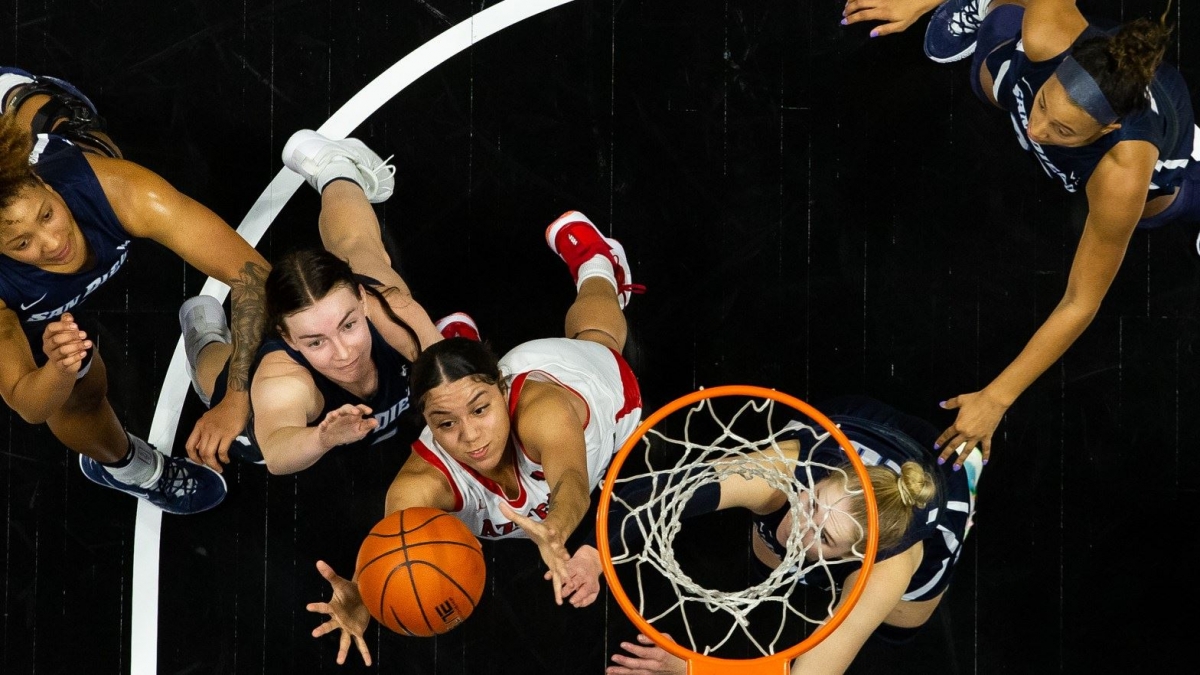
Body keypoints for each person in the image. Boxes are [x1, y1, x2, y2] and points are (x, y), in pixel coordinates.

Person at [840, 1, 1200, 467]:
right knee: (995, 69)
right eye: (1045, 102)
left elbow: (1080, 301)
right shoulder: (1049, 34)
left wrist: (996, 398)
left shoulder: (1123, 170)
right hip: (1042, 61)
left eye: (1062, 129)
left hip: (1159, 156)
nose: (1037, 127)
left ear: (1108, 128)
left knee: (1158, 209)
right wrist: (919, 3)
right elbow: (1041, 109)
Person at [305, 209, 645, 666]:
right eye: (445, 423)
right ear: (426, 423)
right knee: (455, 385)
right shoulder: (419, 487)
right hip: (478, 384)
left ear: (501, 391)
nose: (470, 437)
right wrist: (367, 594)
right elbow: (398, 555)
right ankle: (458, 348)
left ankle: (598, 264)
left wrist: (557, 528)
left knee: (599, 334)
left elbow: (571, 481)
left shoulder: (544, 413)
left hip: (584, 386)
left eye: (481, 410)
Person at [0, 66, 271, 513]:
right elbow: (27, 403)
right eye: (22, 243)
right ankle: (133, 470)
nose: (52, 243)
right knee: (76, 388)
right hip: (36, 316)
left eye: (47, 215)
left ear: (44, 180)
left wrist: (237, 395)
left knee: (60, 116)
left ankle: (21, 98)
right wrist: (57, 370)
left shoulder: (120, 189)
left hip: (62, 154)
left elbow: (255, 276)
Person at [585, 395, 979, 675]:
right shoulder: (778, 475)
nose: (800, 526)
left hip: (938, 479)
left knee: (896, 624)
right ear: (820, 479)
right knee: (772, 554)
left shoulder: (888, 567)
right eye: (812, 503)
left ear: (858, 555)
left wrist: (693, 669)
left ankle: (970, 470)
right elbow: (662, 496)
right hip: (856, 420)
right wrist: (593, 551)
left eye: (824, 537)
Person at [179, 129, 454, 475]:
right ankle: (203, 337)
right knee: (223, 388)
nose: (344, 353)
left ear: (361, 300)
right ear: (289, 338)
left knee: (359, 249)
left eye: (348, 325)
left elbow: (452, 377)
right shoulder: (282, 379)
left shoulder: (392, 309)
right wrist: (322, 437)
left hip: (374, 308)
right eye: (316, 341)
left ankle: (335, 167)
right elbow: (278, 452)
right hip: (272, 412)